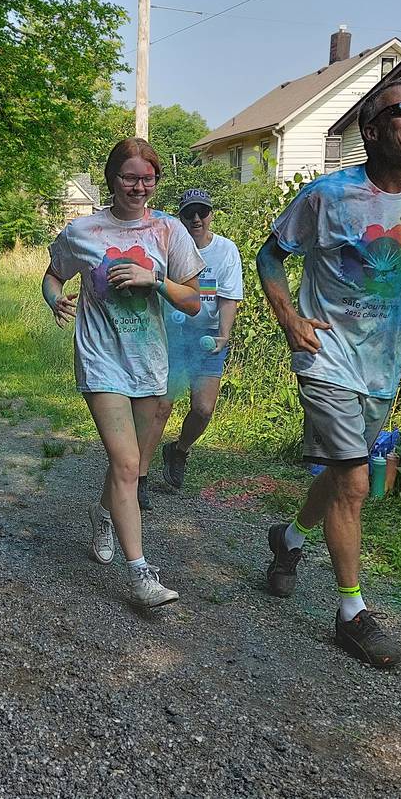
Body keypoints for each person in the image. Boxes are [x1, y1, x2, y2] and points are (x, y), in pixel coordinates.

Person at [256, 76, 401, 667]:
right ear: (371, 132)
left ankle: (291, 539)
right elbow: (270, 256)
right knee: (354, 481)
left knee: (339, 470)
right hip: (324, 355)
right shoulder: (328, 196)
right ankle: (352, 613)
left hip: (381, 365)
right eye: (400, 111)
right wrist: (289, 317)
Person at [41, 137, 204, 608]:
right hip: (100, 359)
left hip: (149, 362)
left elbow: (194, 302)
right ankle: (141, 575)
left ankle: (104, 514)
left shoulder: (169, 232)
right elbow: (53, 275)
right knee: (129, 463)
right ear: (112, 178)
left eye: (147, 179)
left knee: (128, 465)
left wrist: (154, 279)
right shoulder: (82, 231)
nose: (139, 187)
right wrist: (57, 300)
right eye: (129, 177)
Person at [139, 189, 243, 503]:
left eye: (202, 212)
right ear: (180, 217)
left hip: (208, 338)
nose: (196, 219)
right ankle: (139, 478)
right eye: (189, 213)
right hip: (171, 337)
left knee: (203, 409)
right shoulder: (168, 246)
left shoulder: (226, 251)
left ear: (211, 214)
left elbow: (229, 297)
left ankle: (178, 450)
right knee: (161, 408)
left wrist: (224, 334)